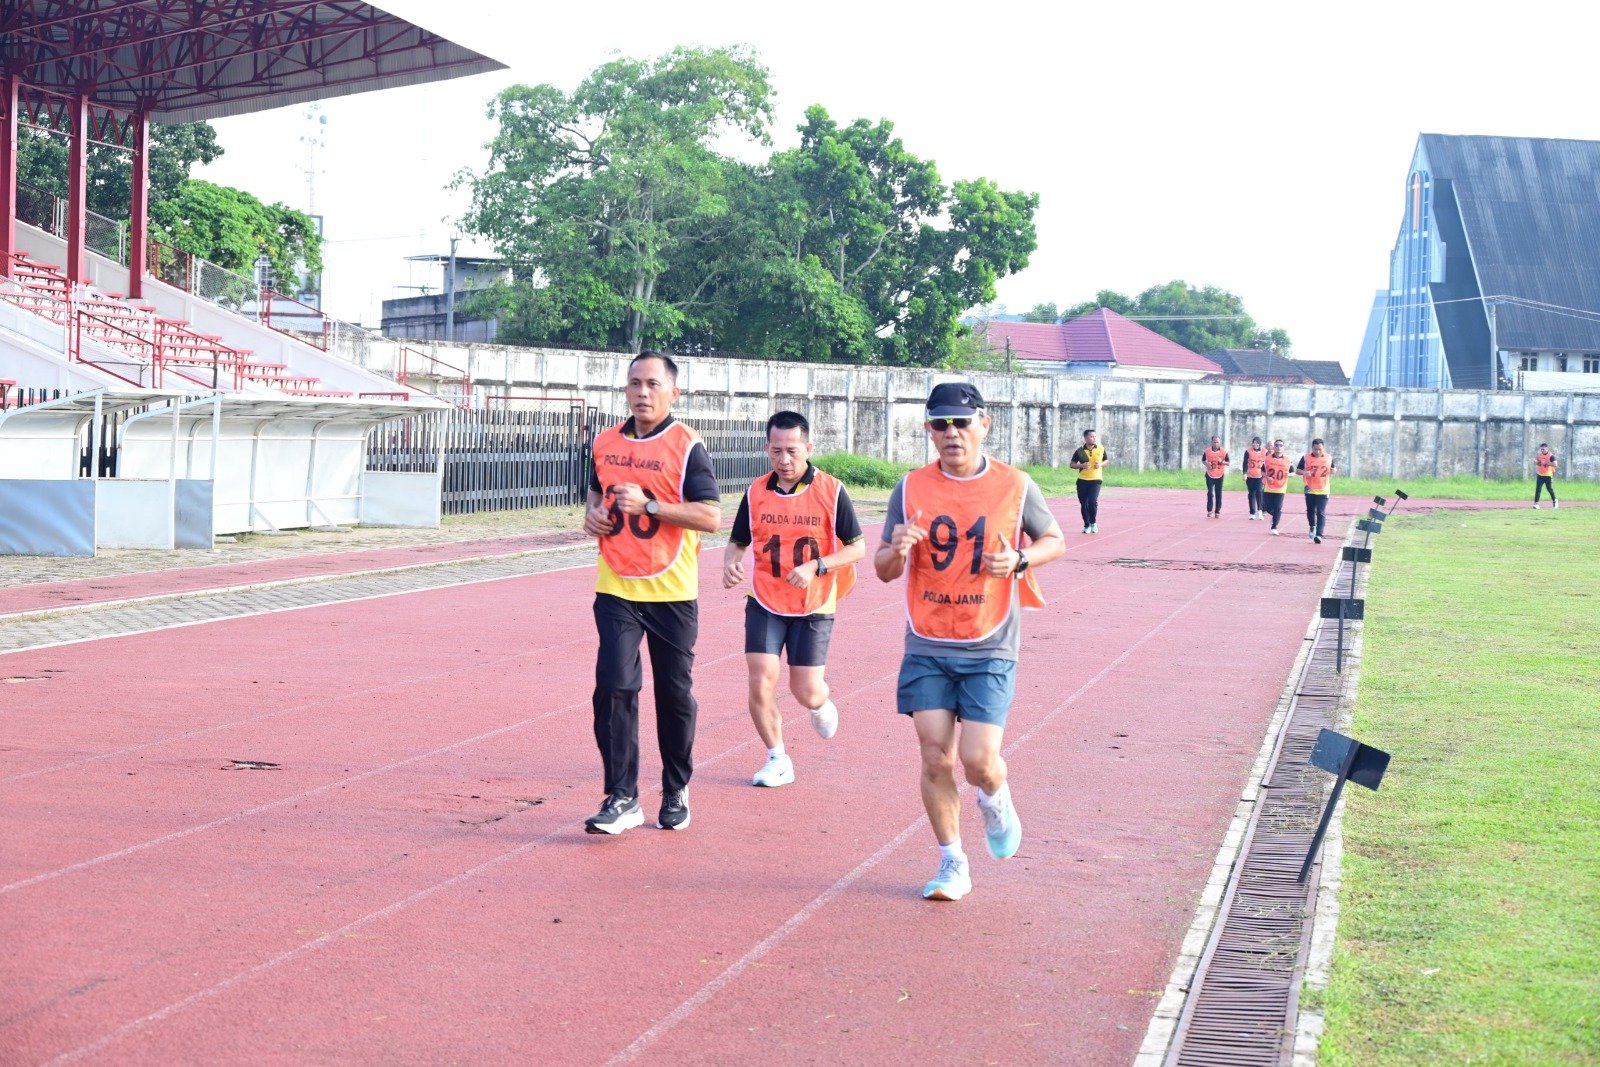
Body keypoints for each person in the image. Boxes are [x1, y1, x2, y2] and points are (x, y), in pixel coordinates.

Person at [875, 382, 1066, 902]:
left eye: (962, 422)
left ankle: (995, 796)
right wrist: (896, 547)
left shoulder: (1016, 485)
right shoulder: (909, 488)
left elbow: (1055, 540)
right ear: (928, 430)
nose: (952, 433)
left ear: (985, 423)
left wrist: (1020, 560)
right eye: (941, 423)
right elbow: (883, 570)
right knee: (935, 756)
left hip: (989, 641)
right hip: (927, 640)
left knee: (979, 761)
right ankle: (952, 862)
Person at [581, 352, 722, 834]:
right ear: (625, 389)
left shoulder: (687, 447)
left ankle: (676, 787)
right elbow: (595, 497)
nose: (643, 392)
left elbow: (710, 517)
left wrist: (652, 505)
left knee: (673, 694)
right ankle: (621, 795)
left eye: (653, 385)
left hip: (672, 592)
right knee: (614, 686)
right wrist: (593, 517)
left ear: (673, 392)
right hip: (616, 585)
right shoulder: (604, 442)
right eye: (635, 384)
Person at [723, 411, 866, 788]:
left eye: (791, 451)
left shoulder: (832, 491)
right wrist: (731, 564)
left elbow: (857, 549)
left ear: (808, 448)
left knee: (805, 689)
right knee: (760, 680)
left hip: (813, 603)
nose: (784, 460)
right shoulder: (755, 492)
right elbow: (738, 541)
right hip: (765, 600)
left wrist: (816, 566)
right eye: (775, 452)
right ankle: (777, 757)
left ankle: (819, 702)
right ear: (766, 449)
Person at [1294, 438, 1336, 543]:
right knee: (1310, 511)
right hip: (1310, 488)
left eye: (1320, 449)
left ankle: (1319, 535)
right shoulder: (1306, 458)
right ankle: (1312, 526)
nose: (1317, 452)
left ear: (1323, 448)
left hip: (1323, 489)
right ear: (1312, 448)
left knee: (1321, 512)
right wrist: (1304, 473)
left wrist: (1334, 470)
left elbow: (1333, 468)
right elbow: (1297, 470)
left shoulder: (1329, 457)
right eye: (1315, 449)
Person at [1068, 428, 1106, 534]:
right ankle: (1086, 524)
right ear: (1085, 438)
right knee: (1084, 503)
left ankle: (1093, 523)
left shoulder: (1101, 449)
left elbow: (1106, 460)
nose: (1094, 438)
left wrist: (1101, 464)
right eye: (1091, 436)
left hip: (1096, 480)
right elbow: (1072, 464)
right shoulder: (1080, 451)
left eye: (1095, 436)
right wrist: (1081, 465)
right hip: (1082, 481)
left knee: (1092, 501)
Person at [1261, 439, 1291, 535]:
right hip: (1269, 486)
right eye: (1276, 445)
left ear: (1283, 448)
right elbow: (1261, 471)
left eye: (1280, 445)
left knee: (1277, 507)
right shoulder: (1267, 459)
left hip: (1281, 487)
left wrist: (1289, 474)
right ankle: (1276, 516)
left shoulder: (1288, 460)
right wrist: (1267, 477)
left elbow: (1294, 472)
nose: (1278, 447)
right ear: (1273, 447)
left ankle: (1274, 526)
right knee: (1267, 508)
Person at [1202, 436, 1229, 517]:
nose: (1216, 443)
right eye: (1214, 442)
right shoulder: (1207, 451)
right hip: (1210, 474)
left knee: (1218, 493)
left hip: (1220, 475)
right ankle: (1209, 510)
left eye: (1217, 442)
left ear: (1220, 443)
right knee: (1210, 492)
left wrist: (1222, 462)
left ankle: (1217, 511)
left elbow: (1228, 462)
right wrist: (1207, 464)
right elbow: (1203, 460)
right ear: (1211, 442)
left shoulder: (1224, 452)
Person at [1243, 436, 1268, 520]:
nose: (1255, 444)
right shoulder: (1248, 451)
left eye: (1257, 443)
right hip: (1250, 475)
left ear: (1260, 444)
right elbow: (1245, 463)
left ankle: (1260, 511)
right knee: (1251, 494)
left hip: (1260, 476)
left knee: (1259, 492)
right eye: (1254, 443)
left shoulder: (1265, 452)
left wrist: (1268, 474)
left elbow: (1268, 463)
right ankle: (1252, 512)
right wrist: (1244, 473)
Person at [1533, 444, 1560, 509]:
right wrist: (1536, 462)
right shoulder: (1539, 455)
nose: (1542, 450)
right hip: (1540, 475)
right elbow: (1539, 463)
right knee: (1538, 489)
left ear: (1547, 449)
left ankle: (1555, 500)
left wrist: (1547, 463)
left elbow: (1555, 464)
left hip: (1548, 475)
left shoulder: (1551, 456)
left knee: (1549, 489)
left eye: (1543, 449)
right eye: (1541, 449)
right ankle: (1536, 504)